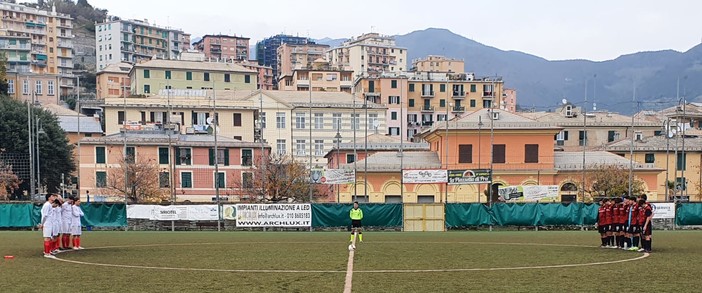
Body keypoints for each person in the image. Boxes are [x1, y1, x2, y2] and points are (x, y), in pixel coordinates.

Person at [39, 194, 58, 258]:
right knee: (47, 238)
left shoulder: (50, 205)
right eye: (52, 196)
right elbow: (45, 215)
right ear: (49, 197)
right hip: (47, 223)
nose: (54, 197)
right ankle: (47, 253)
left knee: (49, 238)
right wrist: (42, 224)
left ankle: (48, 251)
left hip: (50, 223)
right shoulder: (47, 205)